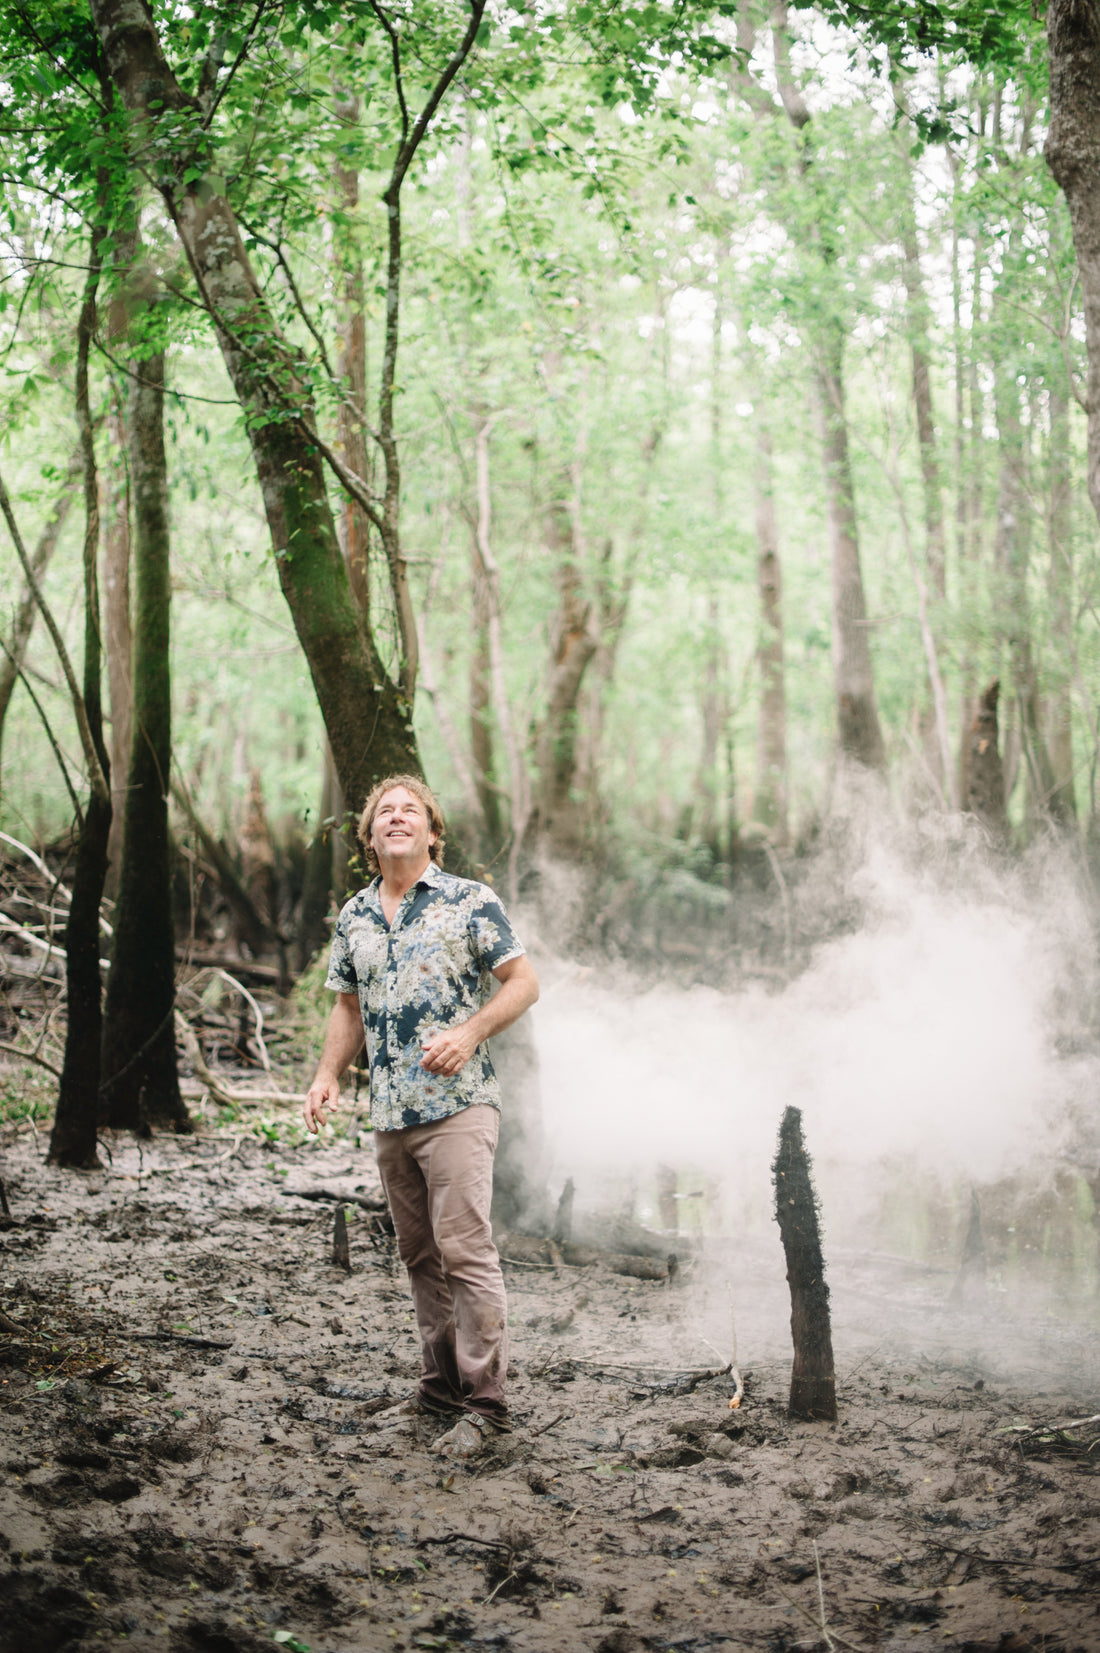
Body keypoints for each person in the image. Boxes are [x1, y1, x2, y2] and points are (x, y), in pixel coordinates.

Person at [303, 774, 539, 1459]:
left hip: (459, 1107)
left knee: (465, 1250)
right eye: (385, 812)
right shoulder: (354, 915)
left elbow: (523, 982)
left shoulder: (471, 901)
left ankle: (487, 1405)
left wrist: (469, 1033)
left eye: (411, 811)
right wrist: (326, 1074)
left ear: (432, 832)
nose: (397, 818)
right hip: (390, 1114)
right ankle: (439, 1391)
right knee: (419, 1255)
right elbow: (346, 1007)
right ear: (370, 836)